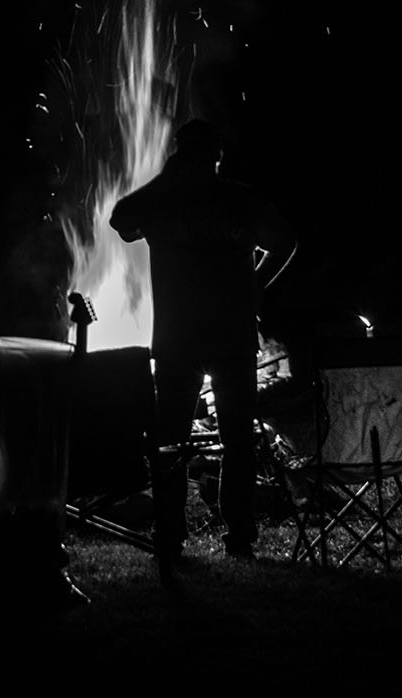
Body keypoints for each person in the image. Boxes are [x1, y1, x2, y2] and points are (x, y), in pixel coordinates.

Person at [109, 120, 296, 564]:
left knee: (171, 440)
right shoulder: (239, 199)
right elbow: (286, 241)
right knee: (236, 438)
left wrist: (165, 179)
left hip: (180, 337)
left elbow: (122, 219)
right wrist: (256, 284)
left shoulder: (164, 200)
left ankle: (172, 533)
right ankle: (239, 537)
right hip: (229, 334)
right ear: (218, 156)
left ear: (179, 155)